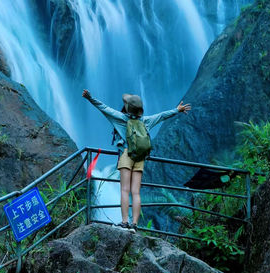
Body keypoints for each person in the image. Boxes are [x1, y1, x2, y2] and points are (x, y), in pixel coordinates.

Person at [82, 88, 191, 229]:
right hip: (140, 157)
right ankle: (134, 225)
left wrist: (90, 98)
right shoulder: (146, 121)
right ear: (140, 110)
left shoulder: (120, 119)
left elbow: (103, 107)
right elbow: (162, 116)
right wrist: (177, 110)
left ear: (127, 109)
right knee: (136, 192)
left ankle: (124, 222)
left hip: (126, 156)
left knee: (124, 190)